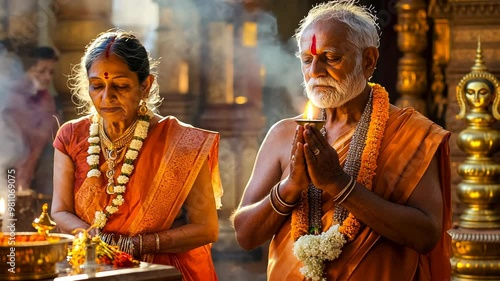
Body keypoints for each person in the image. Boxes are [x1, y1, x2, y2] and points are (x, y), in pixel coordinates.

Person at [231, 1, 451, 281]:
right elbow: (246, 235)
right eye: (307, 60)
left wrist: (338, 183)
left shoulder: (412, 134)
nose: (315, 71)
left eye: (331, 57)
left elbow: (426, 236)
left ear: (369, 60)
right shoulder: (283, 134)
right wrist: (290, 187)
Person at [51, 30, 223, 281]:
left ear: (146, 85)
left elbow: (206, 229)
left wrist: (135, 246)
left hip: (165, 272)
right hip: (93, 267)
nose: (106, 97)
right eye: (97, 86)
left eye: (120, 86)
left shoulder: (183, 144)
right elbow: (60, 210)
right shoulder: (71, 136)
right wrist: (99, 242)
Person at [3, 46, 59, 192]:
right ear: (28, 70)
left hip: (35, 166)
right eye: (41, 71)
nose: (47, 77)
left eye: (51, 72)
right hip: (9, 166)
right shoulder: (11, 95)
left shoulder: (46, 99)